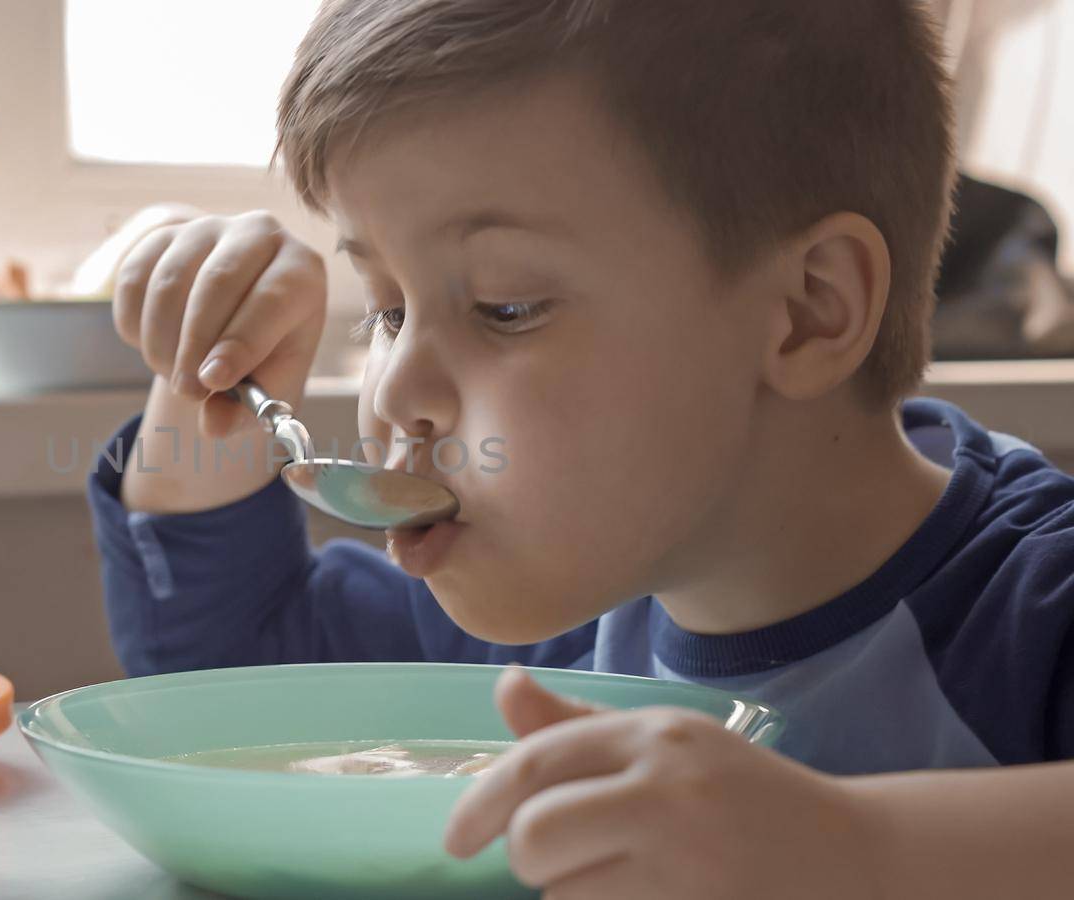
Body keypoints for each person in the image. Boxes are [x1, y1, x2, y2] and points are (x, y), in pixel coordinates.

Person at [87, 1, 1074, 895]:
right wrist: (205, 370)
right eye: (387, 310)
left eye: (504, 306)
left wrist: (856, 849)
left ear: (808, 312)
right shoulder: (554, 617)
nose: (394, 395)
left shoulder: (1038, 612)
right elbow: (228, 668)